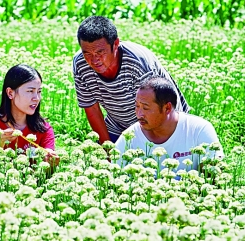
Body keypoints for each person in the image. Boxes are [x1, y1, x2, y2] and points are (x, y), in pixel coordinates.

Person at [73, 15, 190, 144]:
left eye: (100, 52)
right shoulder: (80, 64)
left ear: (116, 44)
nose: (94, 60)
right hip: (118, 125)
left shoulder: (138, 61)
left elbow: (155, 109)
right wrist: (107, 149)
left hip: (162, 122)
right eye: (87, 53)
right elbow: (92, 109)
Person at [115, 76, 224, 171]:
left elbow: (215, 174)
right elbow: (115, 175)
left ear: (167, 108)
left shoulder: (199, 129)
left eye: (145, 108)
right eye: (137, 106)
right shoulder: (129, 138)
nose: (139, 114)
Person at [0, 63, 59, 165]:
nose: (36, 98)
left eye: (39, 91)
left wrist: (51, 163)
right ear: (10, 93)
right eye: (30, 91)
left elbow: (47, 174)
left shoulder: (44, 129)